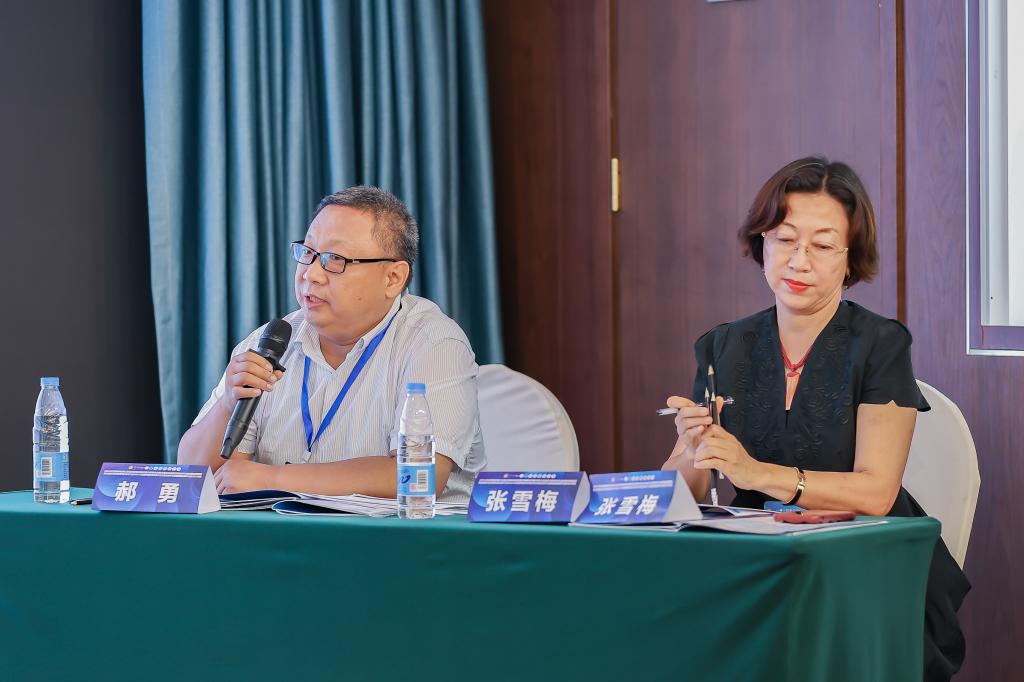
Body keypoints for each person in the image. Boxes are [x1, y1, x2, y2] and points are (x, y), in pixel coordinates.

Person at [661, 157, 969, 681]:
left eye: (823, 246)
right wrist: (693, 451)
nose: (798, 261)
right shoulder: (723, 345)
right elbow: (680, 492)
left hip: (864, 569)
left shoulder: (880, 344)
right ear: (761, 244)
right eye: (784, 240)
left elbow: (876, 493)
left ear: (850, 260)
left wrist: (756, 473)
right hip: (757, 564)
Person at [177, 186, 485, 503]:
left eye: (335, 260)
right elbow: (192, 476)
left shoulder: (434, 344)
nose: (311, 274)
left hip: (403, 533)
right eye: (308, 253)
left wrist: (274, 478)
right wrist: (228, 403)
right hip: (282, 532)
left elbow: (419, 474)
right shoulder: (269, 343)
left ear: (393, 278)